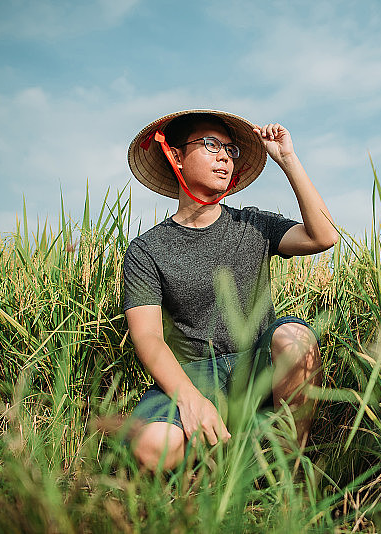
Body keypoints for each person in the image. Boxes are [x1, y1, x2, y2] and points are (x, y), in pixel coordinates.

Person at [123, 109, 338, 471]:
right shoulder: (147, 249)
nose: (224, 155)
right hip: (191, 375)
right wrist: (191, 400)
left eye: (229, 148)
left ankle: (289, 471)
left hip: (256, 368)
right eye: (210, 145)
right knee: (150, 447)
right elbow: (148, 338)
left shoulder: (252, 224)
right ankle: (227, 459)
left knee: (295, 338)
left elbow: (324, 235)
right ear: (175, 155)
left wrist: (287, 160)